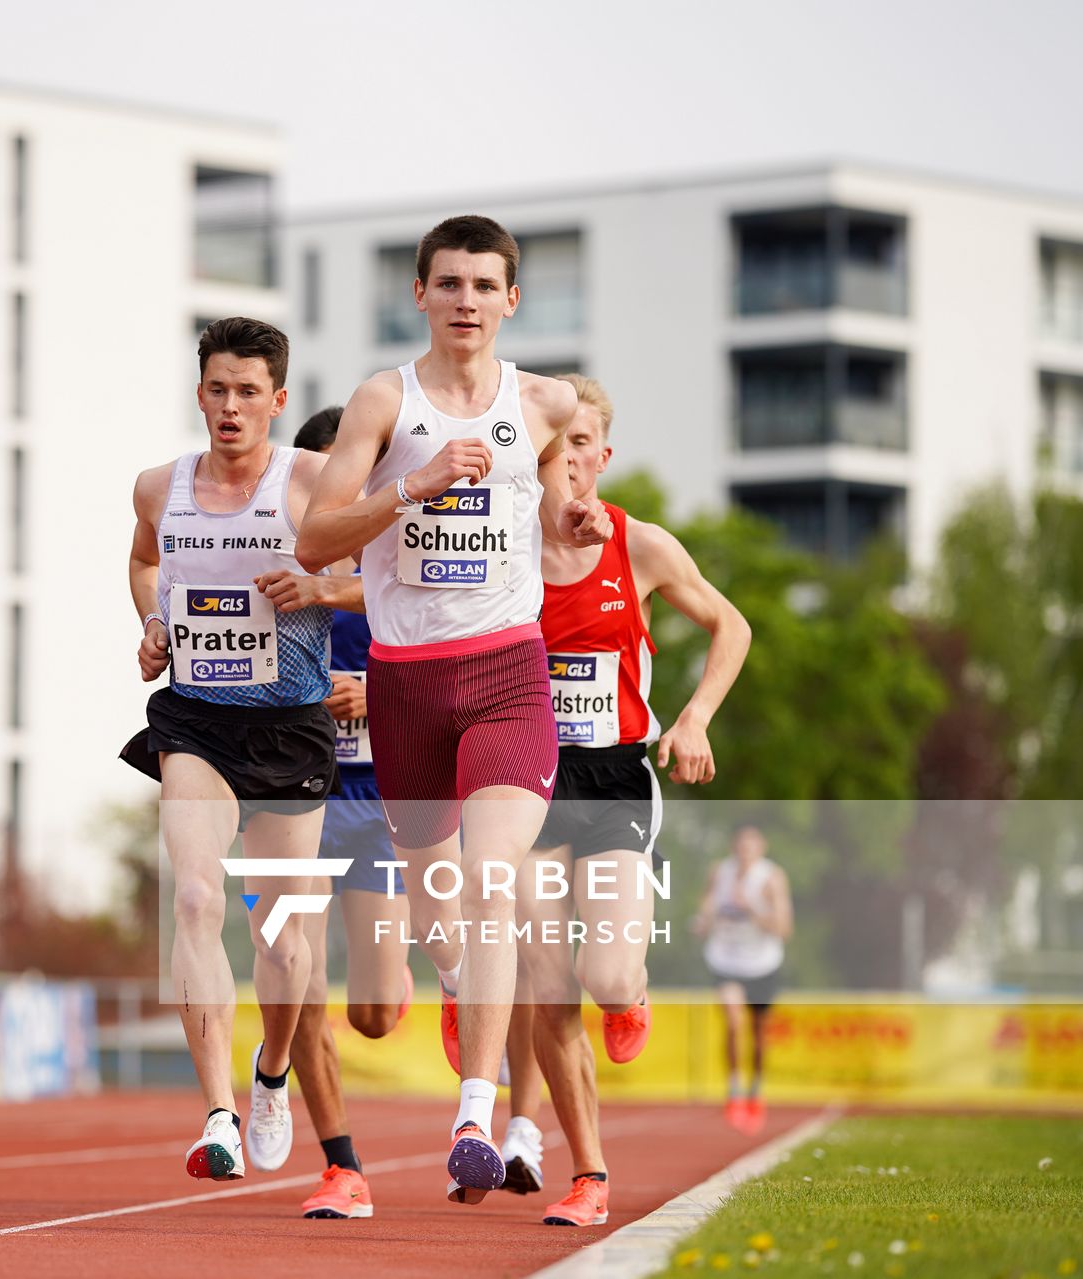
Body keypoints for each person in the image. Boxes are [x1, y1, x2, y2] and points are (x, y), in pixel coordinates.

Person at [296, 215, 611, 1205]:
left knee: (491, 884)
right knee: (444, 914)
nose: (467, 301)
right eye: (450, 284)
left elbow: (558, 488)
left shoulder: (546, 400)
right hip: (408, 685)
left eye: (485, 285)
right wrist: (414, 488)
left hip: (509, 675)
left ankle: (475, 1110)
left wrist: (571, 513)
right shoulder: (385, 401)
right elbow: (314, 542)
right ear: (422, 296)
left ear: (511, 300)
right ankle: (459, 994)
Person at [511, 373, 753, 1227]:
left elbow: (734, 625)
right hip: (528, 780)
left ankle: (632, 993)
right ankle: (589, 1174)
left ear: (602, 456)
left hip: (614, 779)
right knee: (546, 985)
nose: (569, 458)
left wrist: (692, 719)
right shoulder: (499, 550)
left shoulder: (639, 545)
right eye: (554, 442)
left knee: (605, 975)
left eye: (583, 443)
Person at [123, 317, 344, 1183]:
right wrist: (151, 622)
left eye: (249, 391)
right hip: (197, 722)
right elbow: (144, 563)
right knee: (191, 896)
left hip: (290, 727)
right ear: (200, 392)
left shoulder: (316, 481)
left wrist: (322, 586)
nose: (230, 405)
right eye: (217, 388)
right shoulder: (157, 487)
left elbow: (399, 573)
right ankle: (216, 1113)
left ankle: (271, 1071)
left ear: (278, 401)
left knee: (285, 945)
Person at [282, 405, 460, 1219]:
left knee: (375, 1015)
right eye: (315, 478)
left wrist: (374, 692)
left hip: (380, 804)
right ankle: (340, 1164)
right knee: (301, 986)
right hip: (298, 802)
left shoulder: (407, 562)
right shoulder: (281, 567)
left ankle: (402, 984)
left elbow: (457, 680)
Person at [694, 823, 792, 1134]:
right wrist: (703, 919)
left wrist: (751, 910)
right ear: (734, 847)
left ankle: (755, 1089)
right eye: (740, 846)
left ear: (761, 848)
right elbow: (706, 907)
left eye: (751, 847)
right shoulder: (719, 872)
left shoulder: (771, 878)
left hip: (763, 963)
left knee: (759, 1035)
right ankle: (735, 1089)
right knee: (733, 1022)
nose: (744, 853)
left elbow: (784, 929)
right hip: (726, 960)